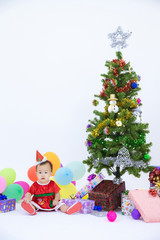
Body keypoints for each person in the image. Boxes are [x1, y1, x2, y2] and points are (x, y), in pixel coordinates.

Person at [21, 151, 82, 215]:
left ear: (51, 173)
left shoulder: (52, 183)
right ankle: (32, 209)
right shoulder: (35, 185)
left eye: (46, 172)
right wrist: (27, 197)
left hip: (52, 203)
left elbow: (57, 193)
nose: (43, 175)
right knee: (33, 204)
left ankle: (67, 209)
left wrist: (56, 200)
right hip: (38, 202)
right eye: (40, 172)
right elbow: (29, 193)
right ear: (36, 174)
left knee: (61, 204)